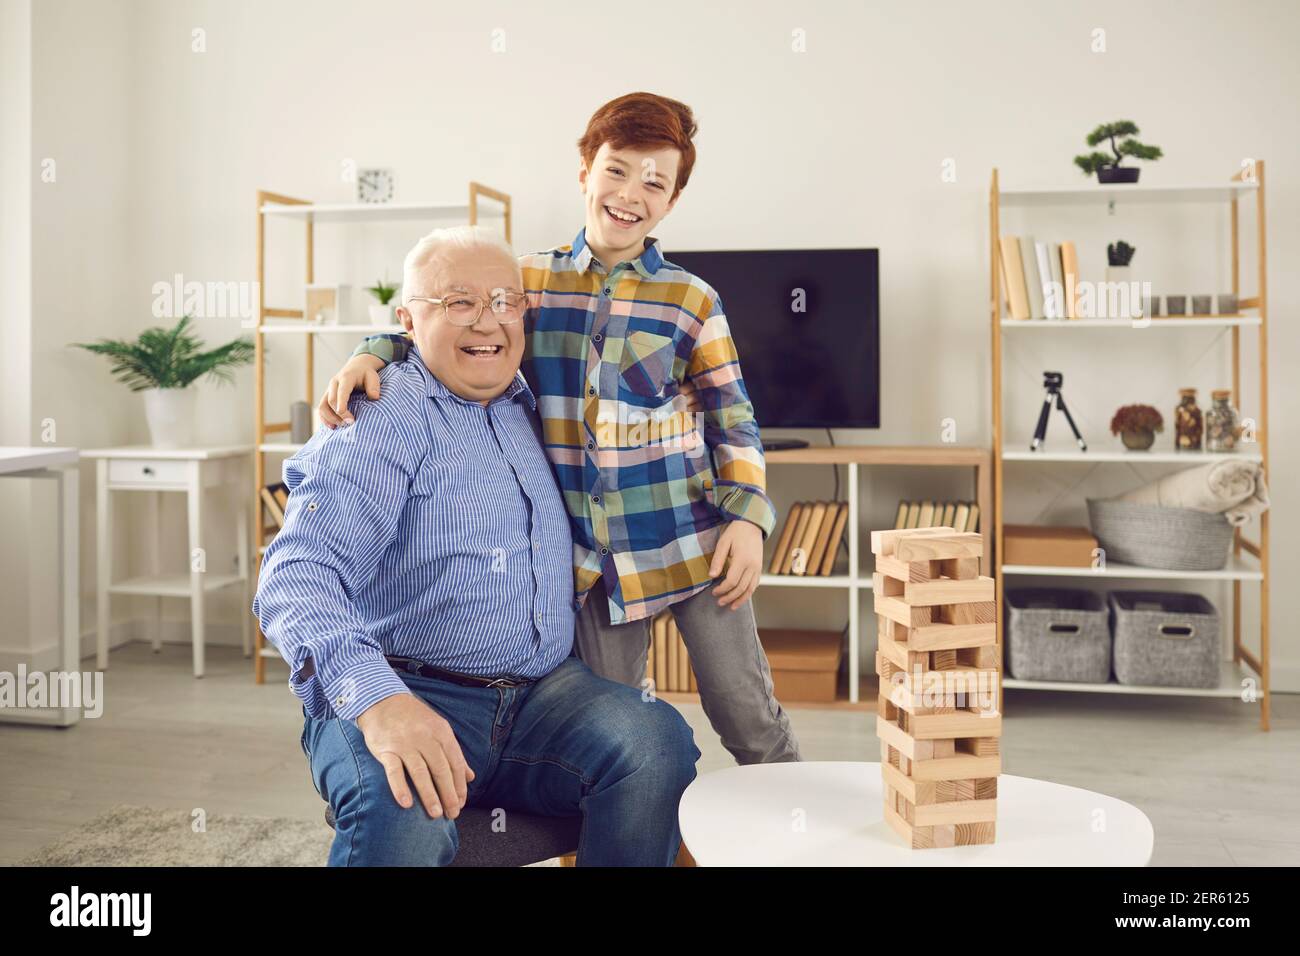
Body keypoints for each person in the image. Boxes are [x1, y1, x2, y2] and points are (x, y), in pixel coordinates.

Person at [320, 92, 802, 766]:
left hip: (695, 545)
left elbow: (734, 418)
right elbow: (451, 319)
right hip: (590, 568)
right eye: (617, 170)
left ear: (672, 201)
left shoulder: (693, 300)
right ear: (585, 173)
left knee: (748, 717)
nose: (631, 193)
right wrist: (373, 347)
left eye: (654, 182)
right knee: (613, 731)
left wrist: (747, 518)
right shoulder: (529, 282)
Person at [253, 226, 699, 866]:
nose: (487, 321)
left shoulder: (532, 400)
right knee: (402, 807)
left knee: (654, 743)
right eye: (458, 302)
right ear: (408, 320)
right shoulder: (381, 416)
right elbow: (296, 575)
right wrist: (380, 702)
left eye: (504, 301)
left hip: (541, 696)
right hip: (405, 685)